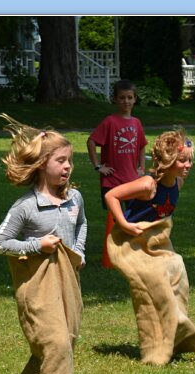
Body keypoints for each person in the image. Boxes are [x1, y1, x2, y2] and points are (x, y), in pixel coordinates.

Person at [0, 114, 87, 374]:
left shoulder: (74, 199)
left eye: (69, 160)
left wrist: (80, 251)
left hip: (68, 281)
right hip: (38, 285)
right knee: (54, 342)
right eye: (60, 161)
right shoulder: (27, 206)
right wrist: (36, 245)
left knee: (64, 341)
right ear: (43, 164)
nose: (67, 167)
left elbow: (82, 225)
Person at [104, 129, 195, 365]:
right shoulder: (148, 184)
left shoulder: (177, 183)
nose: (188, 165)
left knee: (178, 270)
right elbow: (112, 195)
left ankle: (176, 335)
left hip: (156, 240)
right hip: (131, 243)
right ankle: (157, 349)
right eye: (182, 160)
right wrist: (123, 223)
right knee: (156, 285)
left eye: (190, 160)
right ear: (168, 160)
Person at [86, 79, 147, 268]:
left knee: (133, 216)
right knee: (114, 219)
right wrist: (98, 166)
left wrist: (141, 168)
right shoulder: (110, 122)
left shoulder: (136, 123)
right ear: (115, 100)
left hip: (131, 180)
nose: (126, 102)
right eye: (122, 98)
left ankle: (132, 252)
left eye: (129, 98)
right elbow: (91, 142)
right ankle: (112, 256)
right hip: (112, 180)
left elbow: (142, 146)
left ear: (135, 99)